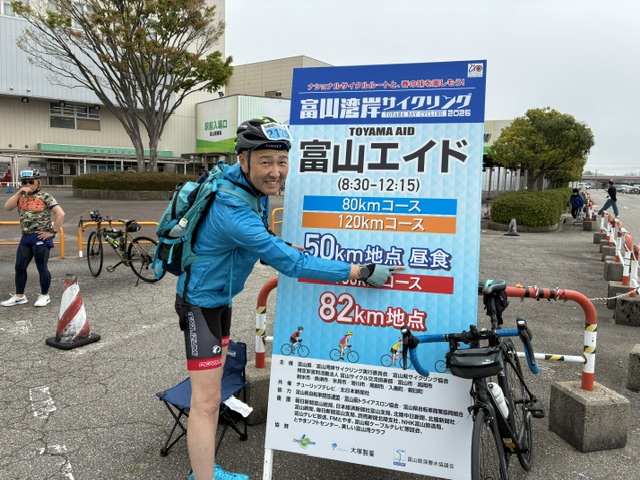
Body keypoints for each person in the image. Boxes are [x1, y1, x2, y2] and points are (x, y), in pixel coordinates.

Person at [177, 117, 401, 480]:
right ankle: (203, 477)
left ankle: (204, 471)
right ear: (243, 159)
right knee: (204, 402)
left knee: (212, 395)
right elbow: (292, 263)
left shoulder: (250, 193)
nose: (276, 171)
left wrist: (274, 247)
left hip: (220, 301)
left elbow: (264, 243)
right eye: (266, 161)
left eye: (282, 162)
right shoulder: (231, 208)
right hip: (199, 306)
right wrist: (357, 272)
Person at [2, 169, 65, 308]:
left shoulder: (45, 196)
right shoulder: (21, 196)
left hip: (40, 237)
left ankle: (44, 295)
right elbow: (7, 207)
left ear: (38, 182)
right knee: (19, 267)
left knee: (41, 267)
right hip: (26, 236)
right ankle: (20, 296)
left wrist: (53, 232)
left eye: (31, 182)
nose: (28, 184)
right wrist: (19, 192)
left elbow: (60, 213)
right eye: (24, 182)